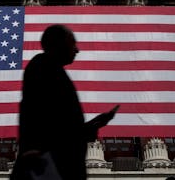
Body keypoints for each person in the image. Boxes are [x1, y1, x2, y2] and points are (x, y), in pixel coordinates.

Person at [10, 24, 118, 180]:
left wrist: (90, 126)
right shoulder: (42, 67)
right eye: (73, 43)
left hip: (59, 164)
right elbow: (36, 112)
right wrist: (32, 146)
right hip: (50, 166)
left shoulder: (52, 69)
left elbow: (62, 126)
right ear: (60, 44)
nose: (77, 50)